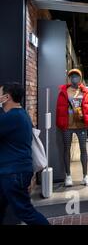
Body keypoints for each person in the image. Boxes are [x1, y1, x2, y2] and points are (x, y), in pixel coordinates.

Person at [0, 83, 49, 225]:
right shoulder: (20, 114)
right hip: (14, 172)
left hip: (13, 173)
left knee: (25, 211)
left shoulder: (12, 117)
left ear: (6, 97)